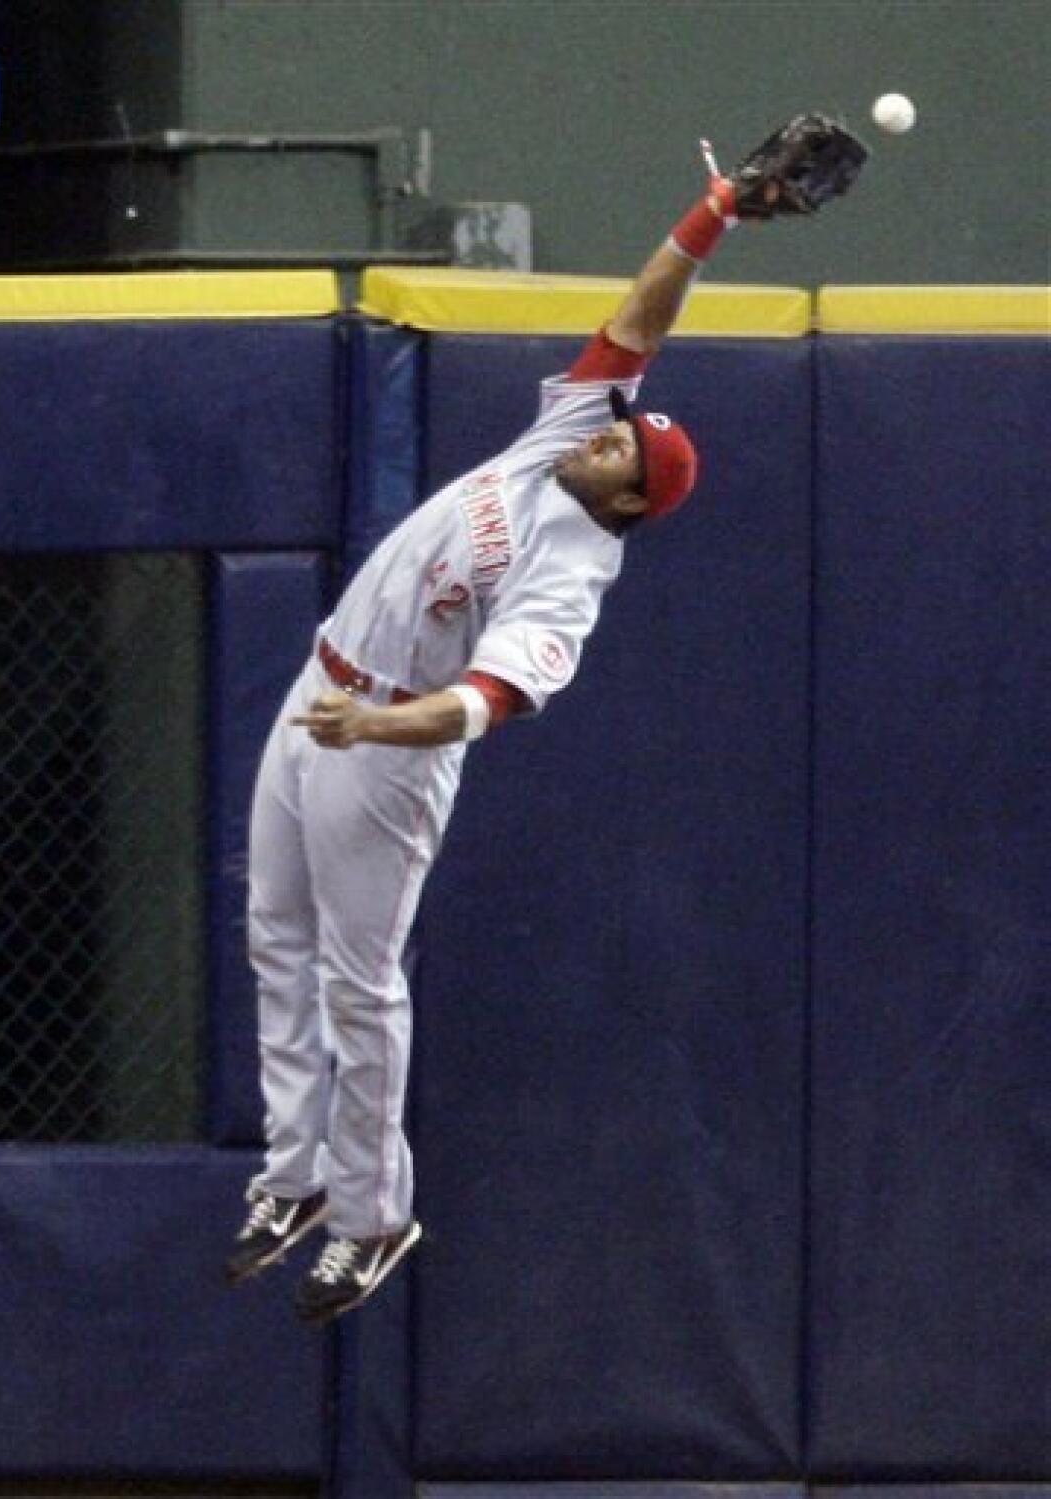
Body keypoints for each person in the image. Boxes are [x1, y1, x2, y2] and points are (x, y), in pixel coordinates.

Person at [226, 155, 751, 1326]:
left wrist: (374, 725)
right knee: (275, 937)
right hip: (327, 687)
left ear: (629, 499)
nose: (608, 430)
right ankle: (293, 1177)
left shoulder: (576, 566)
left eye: (624, 448)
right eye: (616, 427)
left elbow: (485, 703)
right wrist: (710, 213)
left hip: (388, 745)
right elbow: (636, 322)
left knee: (359, 986)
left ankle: (370, 1217)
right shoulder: (562, 439)